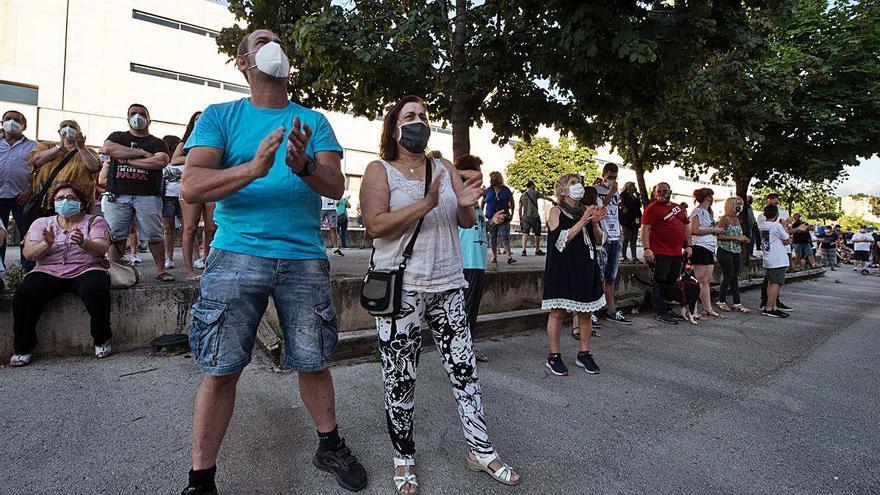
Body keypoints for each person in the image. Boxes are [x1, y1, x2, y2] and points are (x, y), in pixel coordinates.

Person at [179, 29, 367, 494]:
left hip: (302, 258)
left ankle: (330, 445)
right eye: (260, 40)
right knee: (220, 367)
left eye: (277, 40)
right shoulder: (220, 117)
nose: (271, 45)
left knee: (314, 359)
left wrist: (303, 165)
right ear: (243, 62)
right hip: (236, 254)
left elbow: (336, 185)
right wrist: (253, 169)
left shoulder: (313, 120)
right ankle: (201, 479)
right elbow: (192, 185)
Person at [361, 95, 520, 494]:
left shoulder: (443, 167)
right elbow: (376, 226)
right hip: (403, 290)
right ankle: (403, 458)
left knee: (464, 372)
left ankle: (480, 450)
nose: (419, 122)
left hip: (448, 284)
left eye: (424, 116)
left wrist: (466, 206)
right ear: (394, 127)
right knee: (400, 379)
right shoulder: (379, 171)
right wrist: (426, 203)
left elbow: (463, 219)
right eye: (410, 116)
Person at [10, 183, 112, 367]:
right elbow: (29, 254)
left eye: (71, 198)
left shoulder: (94, 221)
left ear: (81, 202)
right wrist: (46, 244)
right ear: (53, 203)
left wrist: (84, 243)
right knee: (25, 294)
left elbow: (102, 248)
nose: (65, 201)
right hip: (49, 270)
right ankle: (23, 347)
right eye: (60, 198)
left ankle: (101, 338)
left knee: (96, 289)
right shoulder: (42, 224)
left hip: (86, 268)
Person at [543, 173, 607, 376]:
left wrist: (594, 222)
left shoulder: (585, 211)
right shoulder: (556, 211)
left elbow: (598, 241)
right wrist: (584, 219)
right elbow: (561, 239)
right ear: (562, 190)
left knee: (586, 313)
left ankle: (584, 353)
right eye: (572, 183)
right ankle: (554, 356)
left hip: (585, 268)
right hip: (563, 270)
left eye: (579, 183)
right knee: (558, 313)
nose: (578, 186)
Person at [101, 103, 174, 281]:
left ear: (149, 119)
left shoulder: (157, 142)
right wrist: (143, 154)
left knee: (154, 235)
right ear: (127, 118)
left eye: (142, 113)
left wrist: (127, 160)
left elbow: (159, 162)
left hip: (148, 195)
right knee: (116, 235)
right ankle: (114, 270)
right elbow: (108, 149)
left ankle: (160, 270)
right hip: (118, 195)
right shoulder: (117, 136)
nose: (137, 116)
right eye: (133, 113)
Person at [455, 154, 502, 363]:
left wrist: (492, 221)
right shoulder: (457, 196)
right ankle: (463, 351)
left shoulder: (472, 201)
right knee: (466, 309)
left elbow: (478, 229)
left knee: (470, 309)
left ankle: (465, 348)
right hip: (467, 262)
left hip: (477, 262)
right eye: (476, 175)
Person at [171, 111, 217, 281]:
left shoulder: (216, 137)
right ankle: (189, 271)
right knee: (189, 229)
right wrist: (196, 156)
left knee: (211, 228)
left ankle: (208, 263)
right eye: (197, 119)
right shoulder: (186, 141)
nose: (200, 121)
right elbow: (175, 159)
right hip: (191, 186)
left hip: (211, 186)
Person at [641, 183, 693, 325]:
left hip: (676, 252)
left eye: (665, 191)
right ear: (654, 193)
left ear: (670, 192)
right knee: (659, 280)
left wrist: (689, 245)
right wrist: (647, 248)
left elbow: (686, 226)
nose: (662, 194)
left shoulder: (678, 208)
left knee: (671, 281)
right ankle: (660, 311)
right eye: (659, 191)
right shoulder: (651, 209)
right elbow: (645, 229)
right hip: (659, 251)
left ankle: (666, 307)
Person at [28, 119, 102, 216]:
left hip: (74, 202)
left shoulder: (89, 152)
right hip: (45, 203)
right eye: (64, 126)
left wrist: (81, 147)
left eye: (72, 127)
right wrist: (60, 146)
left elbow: (94, 167)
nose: (68, 128)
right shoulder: (46, 146)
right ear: (59, 132)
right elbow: (36, 161)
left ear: (79, 133)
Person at [594, 163, 632, 325]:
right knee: (598, 276)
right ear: (604, 174)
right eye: (610, 177)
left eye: (615, 177)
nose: (612, 180)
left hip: (615, 237)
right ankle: (592, 311)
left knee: (611, 277)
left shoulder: (617, 193)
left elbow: (616, 212)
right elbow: (599, 210)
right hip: (602, 239)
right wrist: (610, 193)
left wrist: (621, 231)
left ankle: (611, 309)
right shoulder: (594, 190)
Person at [1, 110, 38, 271]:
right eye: (8, 119)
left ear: (24, 126)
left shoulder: (33, 146)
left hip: (22, 196)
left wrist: (31, 189)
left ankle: (28, 271)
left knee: (27, 234)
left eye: (17, 120)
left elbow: (41, 172)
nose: (12, 122)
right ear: (2, 123)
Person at [689, 188, 723, 318]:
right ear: (708, 197)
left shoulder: (707, 213)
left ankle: (707, 307)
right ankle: (694, 309)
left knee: (706, 280)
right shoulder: (698, 211)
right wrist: (713, 230)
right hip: (700, 246)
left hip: (708, 248)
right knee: (699, 279)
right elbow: (694, 229)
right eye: (711, 196)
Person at [757, 194, 793, 311]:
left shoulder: (763, 225)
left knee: (770, 282)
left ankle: (772, 305)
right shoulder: (776, 226)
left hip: (769, 257)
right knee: (776, 283)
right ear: (776, 214)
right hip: (777, 258)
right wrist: (784, 225)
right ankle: (770, 307)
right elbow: (787, 239)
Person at [716, 197, 750, 313]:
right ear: (731, 205)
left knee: (735, 277)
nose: (740, 206)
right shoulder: (725, 219)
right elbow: (719, 236)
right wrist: (736, 238)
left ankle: (737, 303)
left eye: (741, 204)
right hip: (725, 251)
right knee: (728, 276)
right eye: (737, 204)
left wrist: (743, 239)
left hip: (736, 251)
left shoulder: (738, 219)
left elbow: (738, 235)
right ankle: (721, 300)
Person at [483, 171, 516, 264]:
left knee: (505, 236)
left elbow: (512, 202)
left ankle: (509, 256)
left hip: (503, 218)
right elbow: (483, 202)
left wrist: (512, 214)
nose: (492, 180)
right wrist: (481, 214)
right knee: (492, 237)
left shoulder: (506, 190)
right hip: (491, 218)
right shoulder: (488, 190)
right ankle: (494, 257)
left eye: (494, 178)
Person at [161, 135, 183, 269]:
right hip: (167, 198)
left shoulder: (183, 160)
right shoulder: (162, 161)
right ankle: (168, 258)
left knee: (188, 229)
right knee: (168, 229)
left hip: (183, 197)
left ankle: (196, 258)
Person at [518, 180, 548, 256]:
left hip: (526, 217)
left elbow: (520, 207)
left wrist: (520, 217)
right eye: (534, 185)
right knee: (537, 233)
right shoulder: (535, 192)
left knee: (525, 233)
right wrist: (553, 201)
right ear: (532, 185)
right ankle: (537, 250)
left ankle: (524, 249)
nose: (535, 187)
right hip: (535, 216)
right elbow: (544, 197)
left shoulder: (523, 195)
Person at [619, 181, 641, 262]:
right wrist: (624, 208)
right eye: (632, 186)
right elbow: (619, 201)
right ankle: (623, 256)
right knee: (626, 237)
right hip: (627, 219)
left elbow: (639, 205)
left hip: (635, 218)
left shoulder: (634, 196)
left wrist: (638, 197)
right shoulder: (623, 194)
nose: (634, 188)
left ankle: (634, 256)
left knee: (634, 238)